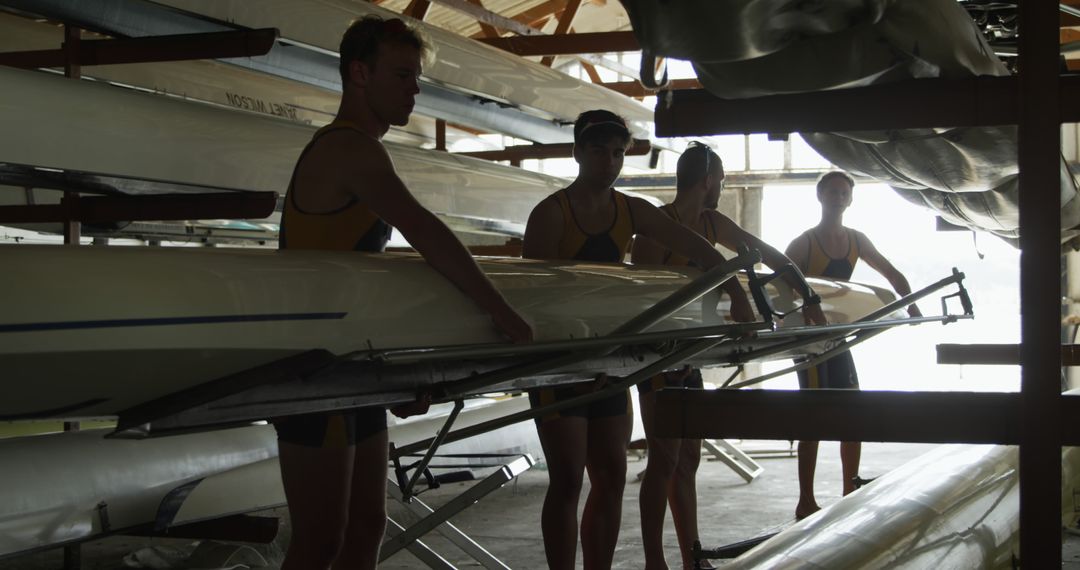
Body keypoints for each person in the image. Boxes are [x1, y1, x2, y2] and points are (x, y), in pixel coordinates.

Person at [275, 16, 532, 570]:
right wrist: (500, 310)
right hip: (315, 371)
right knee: (320, 541)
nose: (415, 89)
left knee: (366, 527)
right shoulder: (350, 150)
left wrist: (394, 374)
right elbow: (427, 234)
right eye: (403, 75)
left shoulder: (359, 149)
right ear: (359, 74)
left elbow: (369, 277)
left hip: (353, 366)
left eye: (417, 77)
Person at [522, 110, 755, 570]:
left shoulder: (629, 210)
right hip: (559, 364)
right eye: (598, 152)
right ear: (577, 154)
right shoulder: (552, 214)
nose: (610, 163)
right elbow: (532, 297)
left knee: (611, 475)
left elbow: (697, 247)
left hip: (607, 365)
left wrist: (733, 288)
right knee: (568, 480)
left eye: (617, 154)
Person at [631, 142, 826, 570]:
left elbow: (765, 253)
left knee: (689, 460)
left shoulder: (709, 221)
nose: (724, 185)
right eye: (721, 178)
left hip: (691, 354)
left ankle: (691, 557)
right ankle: (653, 562)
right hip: (657, 357)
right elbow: (640, 294)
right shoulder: (655, 226)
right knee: (663, 460)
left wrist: (806, 292)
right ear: (707, 181)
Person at [784, 170, 921, 520]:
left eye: (844, 192)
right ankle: (805, 501)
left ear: (850, 199)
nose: (838, 197)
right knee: (812, 420)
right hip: (810, 341)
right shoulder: (806, 242)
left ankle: (849, 492)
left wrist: (913, 303)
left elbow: (892, 273)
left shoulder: (857, 240)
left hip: (839, 337)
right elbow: (777, 279)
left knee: (852, 412)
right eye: (832, 192)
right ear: (820, 197)